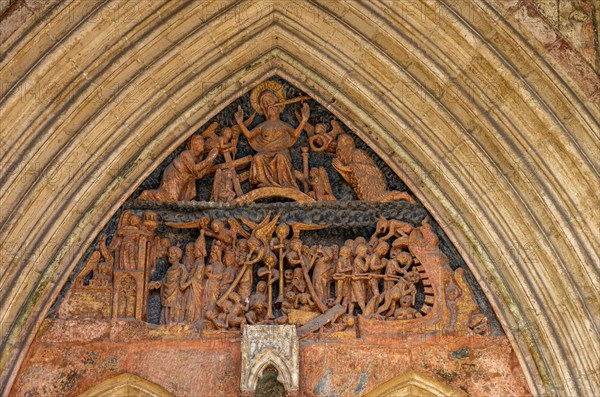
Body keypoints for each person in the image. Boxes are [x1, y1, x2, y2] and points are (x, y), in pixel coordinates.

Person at [234, 91, 310, 189]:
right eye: (265, 104)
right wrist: (240, 123)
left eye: (270, 102)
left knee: (280, 157)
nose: (268, 105)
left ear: (278, 105)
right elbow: (249, 135)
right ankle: (262, 182)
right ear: (264, 110)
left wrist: (304, 120)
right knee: (257, 158)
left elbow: (295, 134)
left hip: (281, 151)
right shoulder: (263, 125)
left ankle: (284, 182)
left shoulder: (283, 124)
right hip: (266, 151)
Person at [137, 134, 218, 202]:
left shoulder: (198, 159)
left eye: (202, 143)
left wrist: (211, 165)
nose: (202, 145)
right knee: (169, 199)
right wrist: (209, 159)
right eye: (200, 143)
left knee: (178, 201)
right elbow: (195, 169)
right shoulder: (186, 154)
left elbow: (199, 175)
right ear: (193, 145)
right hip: (173, 176)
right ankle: (147, 195)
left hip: (184, 181)